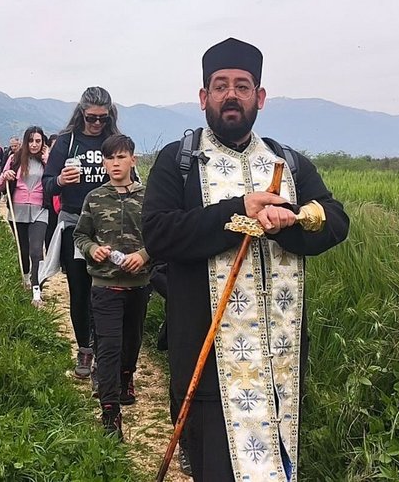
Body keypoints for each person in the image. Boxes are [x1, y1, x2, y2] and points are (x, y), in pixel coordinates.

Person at [142, 38, 350, 481]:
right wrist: (237, 210)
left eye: (242, 85)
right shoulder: (177, 162)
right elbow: (158, 234)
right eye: (220, 85)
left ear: (260, 97)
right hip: (207, 354)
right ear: (203, 98)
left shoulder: (288, 164)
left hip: (278, 360)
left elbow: (335, 221)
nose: (230, 94)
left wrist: (290, 220)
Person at [72, 134, 151, 440]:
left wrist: (143, 256)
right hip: (104, 285)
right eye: (110, 158)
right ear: (103, 162)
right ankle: (110, 415)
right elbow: (81, 235)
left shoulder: (148, 197)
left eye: (121, 157)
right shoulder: (94, 197)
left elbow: (160, 237)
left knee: (131, 343)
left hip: (139, 284)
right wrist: (92, 250)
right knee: (108, 348)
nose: (115, 164)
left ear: (133, 159)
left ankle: (127, 377)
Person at [42, 86, 122, 379]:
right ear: (81, 113)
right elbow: (47, 184)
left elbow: (130, 178)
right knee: (79, 290)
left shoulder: (113, 143)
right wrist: (61, 179)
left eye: (103, 118)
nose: (97, 124)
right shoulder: (67, 142)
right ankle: (85, 348)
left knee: (105, 291)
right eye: (92, 118)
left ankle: (105, 353)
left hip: (109, 228)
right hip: (74, 225)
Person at [0, 126, 49, 304]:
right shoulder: (14, 159)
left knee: (36, 251)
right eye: (31, 140)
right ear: (25, 142)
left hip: (40, 210)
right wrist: (5, 175)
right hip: (17, 210)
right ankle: (26, 277)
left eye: (38, 141)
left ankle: (36, 290)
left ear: (43, 142)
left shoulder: (47, 161)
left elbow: (54, 182)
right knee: (24, 250)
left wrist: (48, 161)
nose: (34, 144)